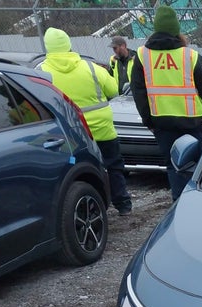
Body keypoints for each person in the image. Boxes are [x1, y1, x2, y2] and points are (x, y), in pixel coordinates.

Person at [130, 5, 202, 201]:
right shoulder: (190, 56)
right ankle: (200, 204)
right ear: (176, 29)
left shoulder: (142, 55)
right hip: (192, 124)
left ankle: (179, 206)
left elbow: (139, 93)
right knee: (199, 170)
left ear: (156, 28)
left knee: (174, 168)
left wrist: (149, 122)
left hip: (163, 125)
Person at [40, 27, 132, 215]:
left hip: (71, 134)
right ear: (69, 45)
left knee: (80, 172)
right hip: (102, 130)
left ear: (48, 47)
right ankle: (123, 204)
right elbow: (113, 90)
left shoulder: (41, 73)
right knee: (114, 167)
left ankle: (89, 208)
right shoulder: (91, 68)